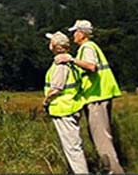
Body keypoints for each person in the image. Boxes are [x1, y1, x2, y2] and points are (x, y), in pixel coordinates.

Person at [56, 19, 124, 174]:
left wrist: (70, 59)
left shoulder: (87, 48)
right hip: (98, 97)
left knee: (102, 140)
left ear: (81, 33)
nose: (73, 35)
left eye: (75, 32)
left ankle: (114, 171)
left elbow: (91, 66)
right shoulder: (88, 48)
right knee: (101, 137)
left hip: (96, 98)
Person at [43, 31, 89, 174]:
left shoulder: (60, 65)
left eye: (51, 42)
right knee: (72, 146)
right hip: (70, 107)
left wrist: (45, 101)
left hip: (63, 110)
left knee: (72, 148)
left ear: (55, 46)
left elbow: (56, 88)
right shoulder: (69, 62)